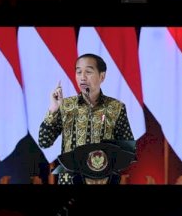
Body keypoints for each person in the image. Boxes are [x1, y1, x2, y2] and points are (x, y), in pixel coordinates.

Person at [38, 54, 135, 184]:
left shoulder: (116, 107)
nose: (82, 77)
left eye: (88, 72)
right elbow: (44, 141)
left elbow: (128, 149)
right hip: (70, 181)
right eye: (78, 72)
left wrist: (105, 162)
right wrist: (53, 109)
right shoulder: (65, 106)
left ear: (102, 76)